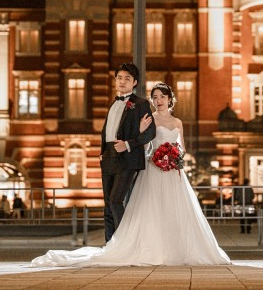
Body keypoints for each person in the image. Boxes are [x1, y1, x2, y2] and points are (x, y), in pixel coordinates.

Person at [31, 82, 230, 266]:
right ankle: (153, 250)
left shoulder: (178, 122)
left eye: (162, 97)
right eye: (155, 97)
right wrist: (143, 133)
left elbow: (182, 149)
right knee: (151, 210)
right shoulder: (149, 118)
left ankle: (178, 250)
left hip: (173, 173)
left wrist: (174, 158)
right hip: (153, 169)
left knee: (176, 212)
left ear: (170, 99)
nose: (158, 101)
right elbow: (143, 147)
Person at [97, 63, 156, 243]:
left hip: (128, 158)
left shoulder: (141, 104)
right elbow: (108, 130)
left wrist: (128, 145)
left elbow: (150, 132)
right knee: (108, 205)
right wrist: (102, 152)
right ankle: (110, 245)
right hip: (108, 157)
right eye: (119, 78)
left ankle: (124, 244)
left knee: (116, 201)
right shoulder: (113, 103)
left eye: (127, 79)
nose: (122, 82)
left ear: (135, 82)